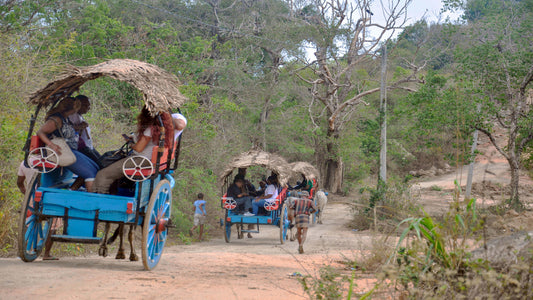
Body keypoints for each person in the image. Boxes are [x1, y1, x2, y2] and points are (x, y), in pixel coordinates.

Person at [93, 107, 173, 194]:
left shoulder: (150, 129)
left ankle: (100, 200)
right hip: (151, 160)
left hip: (140, 161)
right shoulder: (163, 129)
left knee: (102, 175)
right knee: (112, 170)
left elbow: (138, 148)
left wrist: (131, 144)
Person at [36, 97, 100, 192]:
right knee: (90, 173)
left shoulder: (65, 118)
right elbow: (40, 132)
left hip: (71, 150)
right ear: (72, 109)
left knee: (96, 168)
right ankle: (92, 201)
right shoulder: (56, 119)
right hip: (62, 152)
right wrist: (51, 145)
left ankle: (75, 190)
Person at [17, 161, 60, 260]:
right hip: (50, 196)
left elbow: (19, 183)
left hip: (33, 196)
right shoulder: (54, 161)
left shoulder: (25, 163)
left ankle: (24, 250)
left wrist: (27, 194)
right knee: (53, 225)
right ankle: (46, 254)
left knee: (29, 223)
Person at [69, 95, 100, 164]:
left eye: (89, 106)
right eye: (85, 105)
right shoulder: (72, 116)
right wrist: (79, 126)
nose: (88, 108)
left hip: (88, 146)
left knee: (102, 160)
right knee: (99, 163)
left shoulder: (79, 116)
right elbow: (67, 128)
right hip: (82, 147)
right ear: (78, 105)